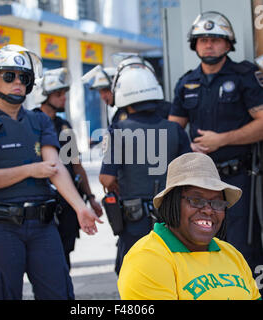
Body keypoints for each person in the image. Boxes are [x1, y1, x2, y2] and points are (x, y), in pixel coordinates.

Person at [0, 45, 102, 300]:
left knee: (60, 294)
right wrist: (31, 169)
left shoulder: (40, 121)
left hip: (43, 227)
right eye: (9, 76)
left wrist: (81, 206)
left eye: (24, 78)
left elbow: (55, 167)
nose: (17, 82)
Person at [168, 11, 263, 281]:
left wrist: (222, 139)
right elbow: (173, 129)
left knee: (241, 247)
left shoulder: (245, 75)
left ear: (228, 44)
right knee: (198, 244)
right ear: (194, 45)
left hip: (239, 179)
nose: (208, 44)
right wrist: (188, 146)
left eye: (215, 39)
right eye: (202, 40)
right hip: (198, 182)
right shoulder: (186, 82)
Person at [118, 152, 261, 300]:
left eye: (217, 203)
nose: (208, 210)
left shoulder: (232, 254)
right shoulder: (147, 259)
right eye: (196, 200)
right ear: (171, 203)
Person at [99, 53, 191, 275]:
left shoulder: (118, 131)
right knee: (173, 270)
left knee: (136, 271)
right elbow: (189, 173)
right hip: (172, 215)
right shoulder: (175, 130)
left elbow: (106, 178)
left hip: (135, 219)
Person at [33, 67, 102, 269]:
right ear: (44, 96)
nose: (64, 98)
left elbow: (76, 165)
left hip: (67, 205)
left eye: (64, 93)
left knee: (65, 257)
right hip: (43, 204)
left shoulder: (64, 126)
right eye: (58, 94)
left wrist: (90, 198)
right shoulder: (31, 123)